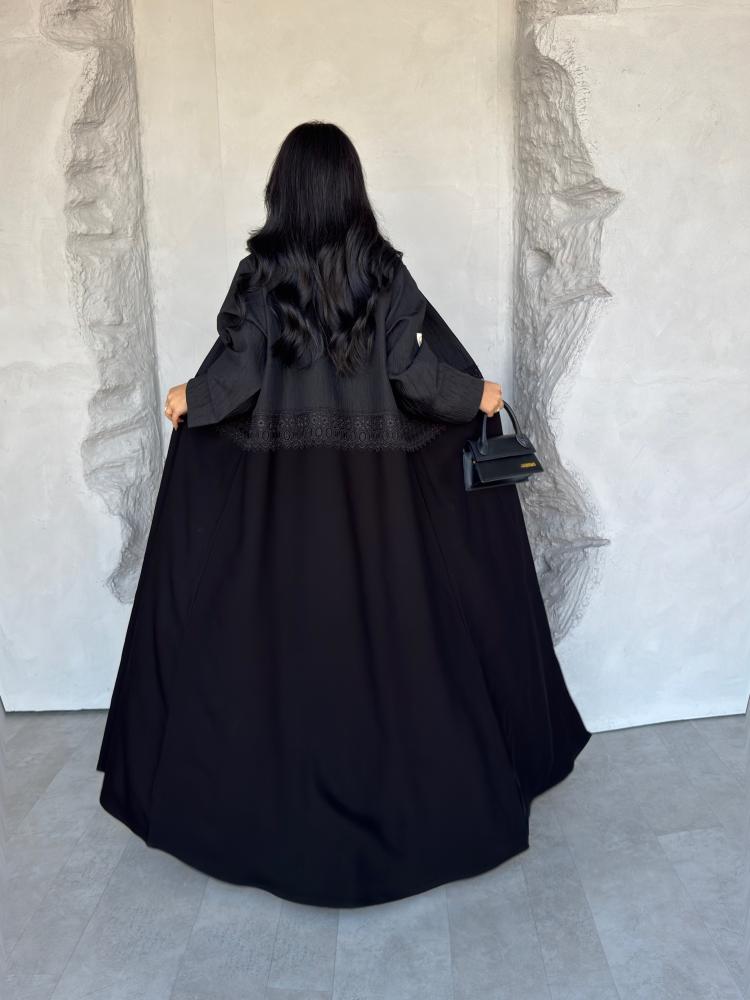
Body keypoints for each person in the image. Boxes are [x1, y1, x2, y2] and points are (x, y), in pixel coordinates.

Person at [96, 121, 590, 908]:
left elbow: (239, 375)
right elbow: (413, 374)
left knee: (283, 638)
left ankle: (269, 804)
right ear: (351, 187)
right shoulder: (384, 272)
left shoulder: (260, 274)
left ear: (284, 188)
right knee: (392, 633)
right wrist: (477, 396)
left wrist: (192, 398)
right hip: (376, 502)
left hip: (282, 506)